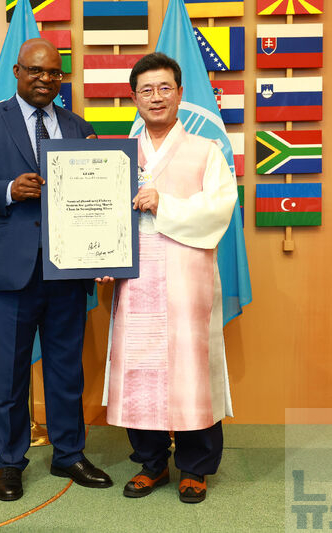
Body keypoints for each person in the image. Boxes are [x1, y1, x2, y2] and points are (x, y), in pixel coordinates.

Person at [0, 38, 112, 502]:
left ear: (61, 78)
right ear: (17, 72)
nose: (45, 79)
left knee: (66, 369)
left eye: (54, 73)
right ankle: (10, 462)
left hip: (68, 269)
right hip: (11, 271)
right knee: (10, 372)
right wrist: (7, 190)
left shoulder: (78, 127)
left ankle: (69, 454)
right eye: (36, 70)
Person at [100, 53, 237, 504]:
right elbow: (99, 213)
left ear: (180, 93)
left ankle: (196, 467)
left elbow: (219, 209)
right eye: (146, 90)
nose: (156, 97)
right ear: (133, 98)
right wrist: (98, 254)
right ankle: (151, 462)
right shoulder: (117, 156)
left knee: (191, 368)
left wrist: (164, 204)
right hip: (136, 279)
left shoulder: (206, 151)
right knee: (139, 365)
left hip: (186, 276)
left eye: (164, 88)